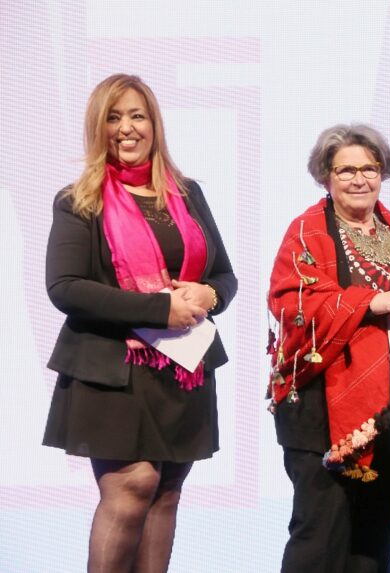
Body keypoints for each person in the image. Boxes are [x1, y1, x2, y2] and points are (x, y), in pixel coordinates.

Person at [42, 73, 237, 572]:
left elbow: (224, 276)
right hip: (113, 372)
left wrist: (209, 294)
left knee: (166, 493)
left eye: (137, 115)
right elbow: (65, 287)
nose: (127, 128)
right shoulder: (79, 199)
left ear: (154, 125)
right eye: (114, 117)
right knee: (134, 485)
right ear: (98, 127)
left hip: (182, 369)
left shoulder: (187, 194)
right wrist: (158, 310)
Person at [267, 123, 390, 573]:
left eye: (369, 169)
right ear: (326, 176)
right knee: (319, 540)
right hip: (318, 414)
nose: (359, 179)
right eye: (346, 170)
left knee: (373, 545)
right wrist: (369, 302)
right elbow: (289, 304)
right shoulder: (305, 233)